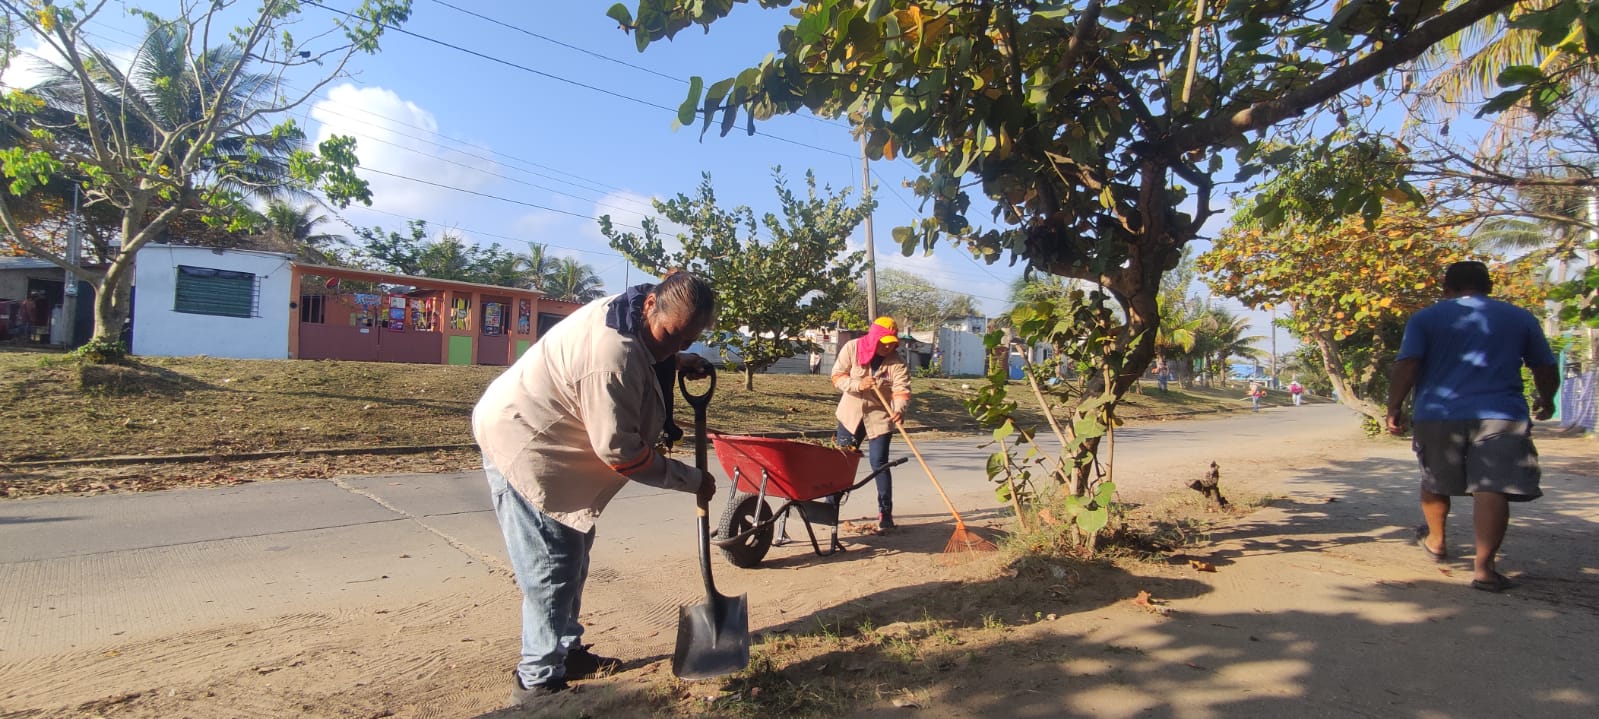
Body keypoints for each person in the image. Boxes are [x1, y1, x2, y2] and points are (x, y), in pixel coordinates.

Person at [472, 271, 719, 706]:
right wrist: (692, 480)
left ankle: (566, 651)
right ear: (651, 307)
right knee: (552, 570)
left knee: (573, 556)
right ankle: (538, 681)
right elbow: (623, 454)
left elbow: (650, 354)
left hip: (560, 441)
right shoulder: (612, 354)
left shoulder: (635, 317)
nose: (673, 347)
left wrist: (675, 359)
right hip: (529, 443)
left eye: (687, 339)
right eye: (672, 336)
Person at [1386, 261, 1558, 593]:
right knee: (1492, 487)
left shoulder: (1425, 318)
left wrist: (1394, 405)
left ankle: (1436, 541)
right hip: (1501, 413)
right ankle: (1484, 570)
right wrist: (1547, 400)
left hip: (1438, 412)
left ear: (1446, 288)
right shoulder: (1519, 317)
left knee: (1434, 480)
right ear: (1489, 287)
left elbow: (1408, 363)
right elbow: (1545, 366)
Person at [831, 316, 912, 531]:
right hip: (851, 414)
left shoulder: (896, 361)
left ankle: (885, 513)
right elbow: (837, 377)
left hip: (880, 418)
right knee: (842, 463)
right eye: (884, 342)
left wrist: (899, 409)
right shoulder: (852, 348)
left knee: (880, 464)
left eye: (892, 342)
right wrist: (858, 384)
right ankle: (830, 508)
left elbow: (901, 389)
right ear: (874, 337)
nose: (888, 347)